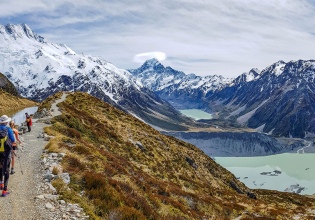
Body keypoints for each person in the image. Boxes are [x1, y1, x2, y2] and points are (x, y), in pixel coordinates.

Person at [0, 115, 15, 197]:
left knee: (0, 167)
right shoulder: (8, 129)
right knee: (6, 170)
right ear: (7, 122)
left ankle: (1, 184)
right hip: (7, 152)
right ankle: (4, 191)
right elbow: (13, 140)